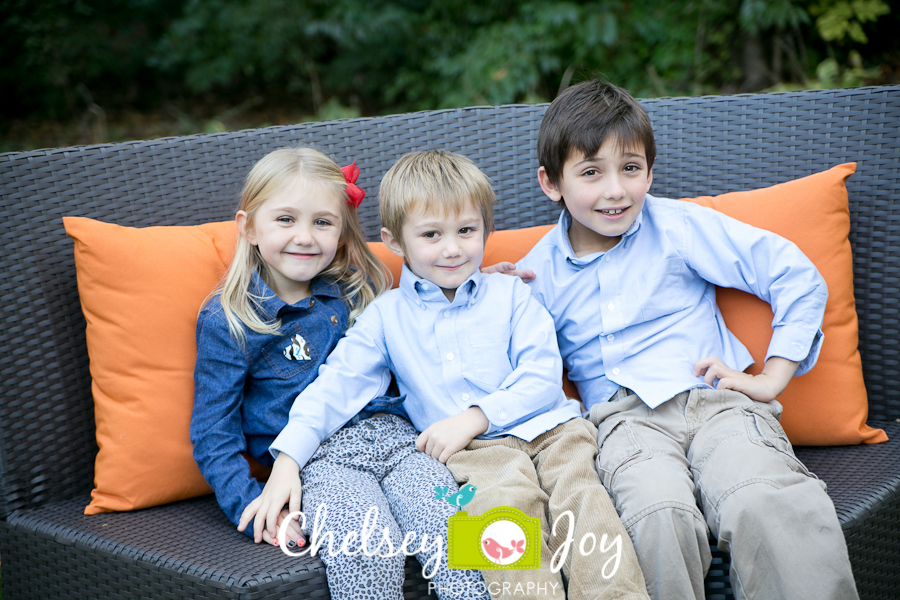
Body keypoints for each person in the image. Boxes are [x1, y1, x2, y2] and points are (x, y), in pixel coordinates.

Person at [242, 149, 651, 600]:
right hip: (475, 455)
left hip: (555, 433)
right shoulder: (386, 318)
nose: (452, 248)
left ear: (485, 230)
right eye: (431, 235)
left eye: (466, 231)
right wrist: (287, 459)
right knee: (503, 521)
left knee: (588, 509)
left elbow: (541, 375)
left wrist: (476, 415)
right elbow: (335, 386)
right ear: (395, 241)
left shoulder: (512, 294)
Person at [511, 79, 858, 600]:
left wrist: (773, 376)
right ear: (551, 183)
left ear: (650, 171)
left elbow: (790, 272)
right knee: (655, 517)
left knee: (765, 499)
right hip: (624, 424)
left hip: (719, 405)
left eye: (631, 168)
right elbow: (509, 359)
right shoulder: (536, 275)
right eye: (591, 172)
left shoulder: (678, 227)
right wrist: (482, 291)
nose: (615, 190)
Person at [191, 147, 486, 600]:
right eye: (285, 220)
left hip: (403, 442)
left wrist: (481, 289)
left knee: (459, 534)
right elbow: (213, 432)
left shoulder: (358, 291)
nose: (305, 237)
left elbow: (429, 297)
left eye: (322, 222)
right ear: (248, 227)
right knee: (369, 548)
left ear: (342, 231)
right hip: (317, 462)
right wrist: (254, 505)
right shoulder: (230, 321)